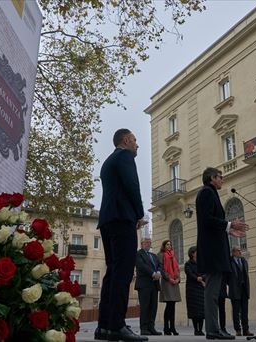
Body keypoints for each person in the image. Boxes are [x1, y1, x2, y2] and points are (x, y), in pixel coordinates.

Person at [96, 129, 147, 342]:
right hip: (122, 219)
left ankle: (104, 327)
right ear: (126, 140)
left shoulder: (108, 161)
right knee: (123, 273)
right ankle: (117, 326)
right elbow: (132, 185)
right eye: (135, 140)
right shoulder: (125, 156)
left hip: (107, 220)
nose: (137, 145)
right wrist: (139, 213)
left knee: (112, 274)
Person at [195, 167, 248, 340]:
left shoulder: (210, 193)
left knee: (215, 292)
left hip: (215, 249)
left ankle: (215, 328)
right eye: (220, 177)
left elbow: (212, 223)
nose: (222, 179)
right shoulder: (206, 193)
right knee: (211, 293)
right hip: (212, 251)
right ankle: (212, 330)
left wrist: (228, 230)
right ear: (212, 178)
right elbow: (207, 220)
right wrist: (229, 224)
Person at [135, 238, 162, 336]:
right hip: (144, 284)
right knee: (145, 307)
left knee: (153, 307)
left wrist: (158, 272)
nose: (148, 244)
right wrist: (153, 273)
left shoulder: (154, 255)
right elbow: (142, 266)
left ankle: (151, 327)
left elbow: (159, 265)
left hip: (154, 285)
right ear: (142, 244)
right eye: (146, 242)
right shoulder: (138, 254)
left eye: (150, 243)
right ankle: (144, 328)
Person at [158, 240, 181, 336]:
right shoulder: (161, 254)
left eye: (170, 244)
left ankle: (173, 327)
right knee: (169, 305)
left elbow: (177, 268)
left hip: (175, 282)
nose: (169, 246)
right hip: (167, 282)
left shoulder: (173, 254)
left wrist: (178, 278)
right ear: (164, 245)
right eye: (167, 244)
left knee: (173, 305)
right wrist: (169, 278)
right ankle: (166, 328)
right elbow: (161, 269)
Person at [228, 246, 253, 337]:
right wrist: (231, 284)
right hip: (234, 289)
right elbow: (227, 276)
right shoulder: (230, 261)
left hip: (244, 289)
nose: (240, 252)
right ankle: (238, 329)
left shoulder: (243, 261)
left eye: (240, 250)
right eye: (238, 251)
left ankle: (246, 329)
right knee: (236, 311)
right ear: (233, 252)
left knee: (244, 311)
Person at [184, 246, 205, 336]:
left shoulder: (202, 263)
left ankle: (200, 329)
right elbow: (189, 273)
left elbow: (206, 272)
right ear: (192, 253)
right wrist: (197, 278)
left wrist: (202, 278)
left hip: (201, 288)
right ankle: (196, 329)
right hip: (192, 289)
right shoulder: (188, 264)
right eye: (196, 251)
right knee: (194, 311)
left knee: (202, 310)